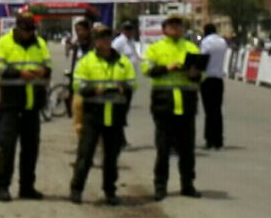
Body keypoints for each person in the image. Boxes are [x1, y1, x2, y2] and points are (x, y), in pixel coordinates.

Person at [70, 24, 136, 206]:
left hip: (115, 116)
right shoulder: (86, 62)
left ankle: (110, 191)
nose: (105, 41)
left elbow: (132, 83)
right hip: (93, 115)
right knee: (85, 154)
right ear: (95, 41)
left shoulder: (123, 62)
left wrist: (124, 88)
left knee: (111, 158)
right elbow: (78, 85)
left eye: (107, 37)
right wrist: (94, 90)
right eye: (100, 38)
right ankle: (76, 189)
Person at [0, 11, 52, 202]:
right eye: (25, 30)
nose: (28, 34)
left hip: (32, 104)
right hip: (11, 104)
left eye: (31, 30)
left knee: (31, 148)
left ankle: (27, 186)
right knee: (7, 147)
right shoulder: (3, 43)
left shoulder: (40, 43)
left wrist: (43, 70)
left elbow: (48, 65)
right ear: (17, 28)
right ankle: (2, 186)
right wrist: (19, 72)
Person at [143, 15, 203, 201]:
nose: (176, 28)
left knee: (187, 149)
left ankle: (187, 184)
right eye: (172, 25)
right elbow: (147, 69)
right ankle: (160, 186)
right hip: (164, 103)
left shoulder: (191, 48)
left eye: (179, 25)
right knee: (163, 149)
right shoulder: (155, 48)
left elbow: (202, 75)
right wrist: (167, 68)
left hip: (186, 103)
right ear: (164, 29)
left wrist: (194, 73)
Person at [199, 22, 228, 150]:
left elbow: (202, 58)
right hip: (218, 78)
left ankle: (209, 138)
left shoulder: (206, 42)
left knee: (208, 111)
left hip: (207, 78)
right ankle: (218, 139)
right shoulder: (222, 42)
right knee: (217, 110)